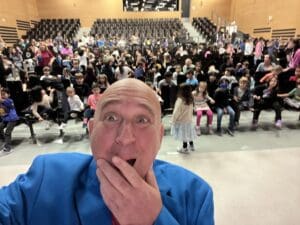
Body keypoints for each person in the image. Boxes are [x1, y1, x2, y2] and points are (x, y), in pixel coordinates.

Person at [0, 78, 214, 225]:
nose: (125, 137)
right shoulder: (47, 177)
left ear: (159, 137)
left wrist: (154, 220)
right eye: (111, 118)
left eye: (142, 120)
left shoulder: (194, 195)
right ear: (91, 130)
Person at [171, 83, 196, 153]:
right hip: (189, 119)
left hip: (181, 120)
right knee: (189, 132)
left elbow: (176, 111)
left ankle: (185, 148)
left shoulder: (180, 100)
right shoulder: (191, 98)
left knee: (184, 134)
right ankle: (192, 145)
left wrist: (173, 120)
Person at [0, 88, 19, 152]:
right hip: (5, 119)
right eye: (1, 94)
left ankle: (8, 148)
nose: (2, 96)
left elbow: (2, 101)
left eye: (4, 94)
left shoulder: (10, 101)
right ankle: (4, 142)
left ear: (9, 95)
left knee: (7, 133)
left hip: (12, 119)